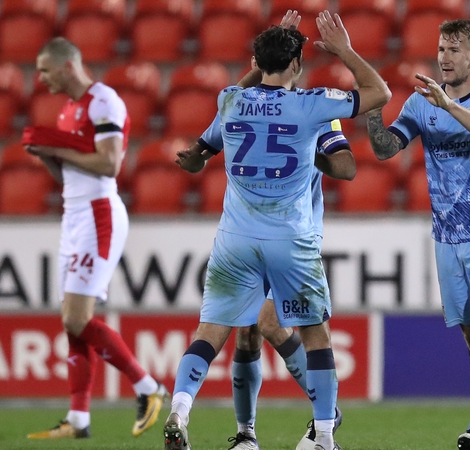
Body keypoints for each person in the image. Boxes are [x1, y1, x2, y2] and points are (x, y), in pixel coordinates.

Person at [162, 10, 390, 450]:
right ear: (297, 66)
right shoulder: (312, 105)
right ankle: (322, 434)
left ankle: (180, 409)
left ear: (255, 60)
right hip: (291, 239)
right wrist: (342, 48)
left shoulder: (229, 100)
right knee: (315, 333)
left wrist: (270, 50)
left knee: (211, 332)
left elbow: (228, 113)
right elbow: (378, 93)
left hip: (236, 239)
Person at [365, 19, 470, 450]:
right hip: (448, 237)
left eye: (454, 49)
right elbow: (385, 149)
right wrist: (372, 108)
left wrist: (449, 106)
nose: (444, 57)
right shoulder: (420, 105)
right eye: (441, 48)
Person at [24, 37, 168, 440]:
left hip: (99, 215)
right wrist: (49, 155)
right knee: (72, 322)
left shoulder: (103, 100)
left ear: (68, 66)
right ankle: (79, 419)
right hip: (74, 216)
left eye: (45, 69)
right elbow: (71, 175)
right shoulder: (68, 111)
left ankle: (148, 387)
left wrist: (60, 148)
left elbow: (109, 164)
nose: (41, 77)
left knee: (76, 316)